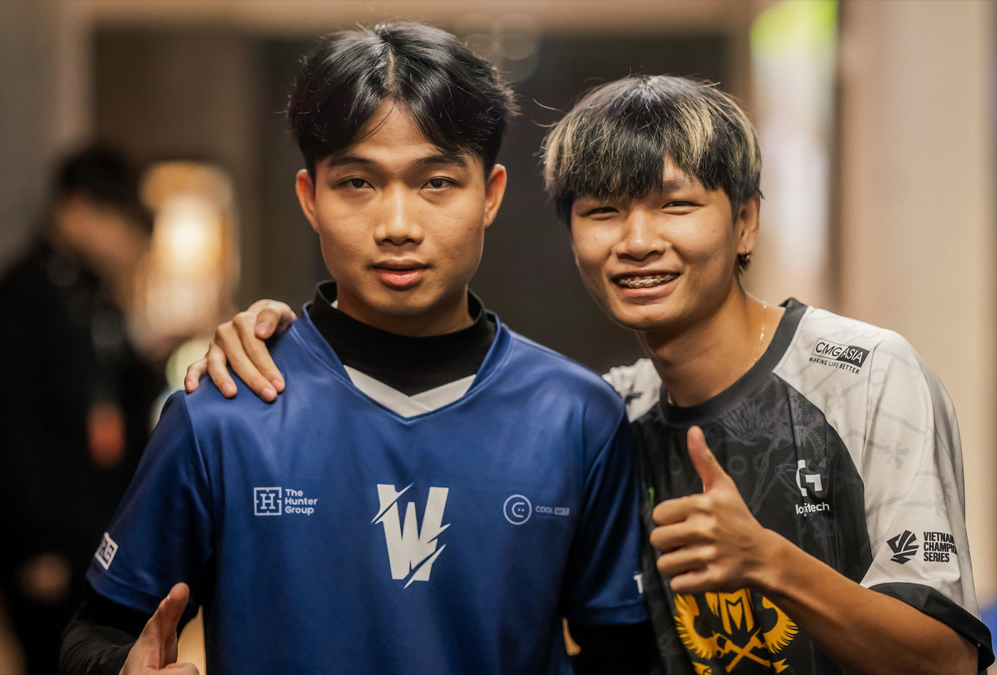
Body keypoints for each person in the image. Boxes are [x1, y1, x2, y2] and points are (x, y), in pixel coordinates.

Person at [197, 74, 995, 673]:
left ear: (745, 218)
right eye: (603, 211)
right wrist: (290, 333)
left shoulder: (865, 375)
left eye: (674, 205)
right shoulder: (610, 412)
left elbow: (950, 657)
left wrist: (767, 561)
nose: (636, 241)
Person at [59, 23, 649, 675]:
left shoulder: (578, 417)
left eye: (436, 183)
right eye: (358, 184)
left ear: (491, 195)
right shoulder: (225, 410)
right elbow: (94, 632)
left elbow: (622, 650)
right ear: (311, 198)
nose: (397, 225)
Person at [0, 146, 163, 675]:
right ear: (75, 208)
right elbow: (9, 423)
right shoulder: (24, 294)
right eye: (116, 221)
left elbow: (117, 394)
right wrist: (33, 542)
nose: (123, 241)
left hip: (90, 522)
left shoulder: (94, 295)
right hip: (45, 534)